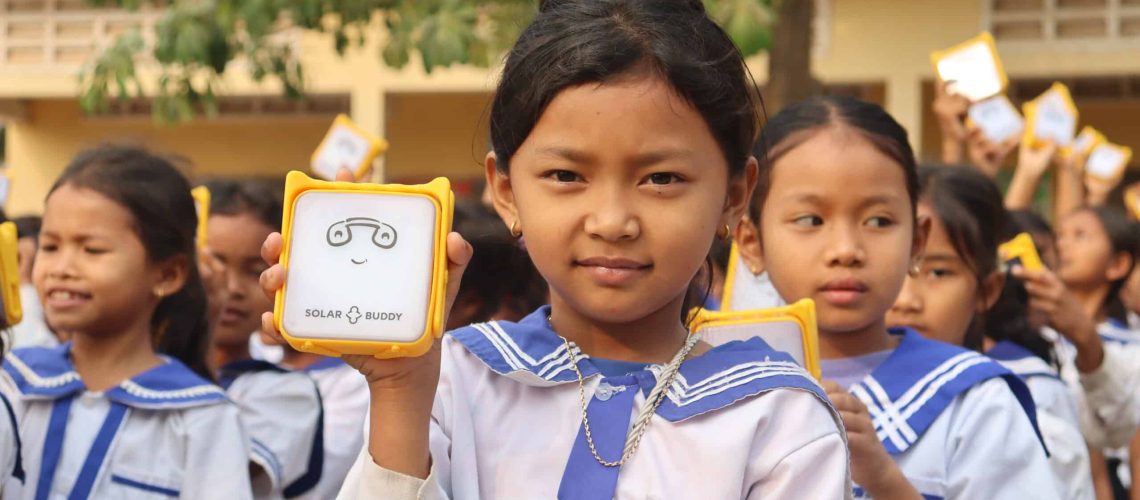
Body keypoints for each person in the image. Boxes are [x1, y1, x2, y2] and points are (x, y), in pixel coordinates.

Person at [262, 1, 851, 497]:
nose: (612, 221)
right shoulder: (453, 380)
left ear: (734, 195)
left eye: (662, 178)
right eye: (567, 176)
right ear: (506, 191)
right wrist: (398, 391)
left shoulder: (777, 416)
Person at [736, 95, 1056, 499]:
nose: (846, 249)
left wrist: (886, 481)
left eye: (878, 221)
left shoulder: (976, 402)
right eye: (810, 220)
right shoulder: (717, 394)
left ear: (917, 241)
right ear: (752, 242)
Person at [0, 145, 251, 498]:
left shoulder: (200, 417)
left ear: (167, 274)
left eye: (92, 249)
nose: (62, 268)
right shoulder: (14, 382)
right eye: (51, 247)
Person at [889, 165, 1092, 498]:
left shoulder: (1015, 406)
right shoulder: (822, 390)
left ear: (987, 290)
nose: (907, 301)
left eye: (939, 272)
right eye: (896, 268)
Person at [200, 180, 325, 500]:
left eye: (253, 270)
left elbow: (219, 474)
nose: (232, 288)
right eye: (214, 265)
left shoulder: (287, 392)